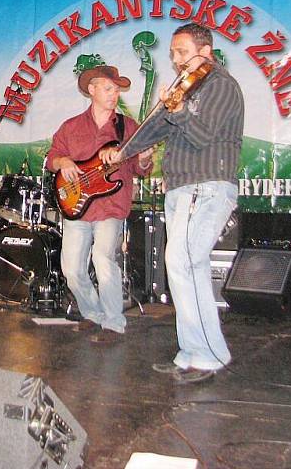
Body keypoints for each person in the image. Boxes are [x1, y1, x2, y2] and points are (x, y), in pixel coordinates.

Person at [112, 23, 244, 383]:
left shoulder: (220, 84)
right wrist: (123, 151)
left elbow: (201, 135)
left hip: (206, 186)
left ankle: (210, 353)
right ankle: (191, 352)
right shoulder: (188, 88)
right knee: (188, 265)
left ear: (205, 50)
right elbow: (156, 130)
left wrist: (180, 107)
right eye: (172, 54)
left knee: (182, 261)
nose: (175, 61)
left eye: (181, 52)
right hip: (183, 189)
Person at [46, 65, 148, 343]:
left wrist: (145, 156)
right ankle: (93, 314)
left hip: (111, 205)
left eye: (116, 90)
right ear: (91, 90)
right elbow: (51, 158)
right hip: (76, 206)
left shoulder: (128, 127)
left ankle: (114, 323)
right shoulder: (71, 126)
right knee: (71, 269)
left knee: (103, 259)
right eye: (108, 89)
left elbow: (142, 168)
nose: (114, 95)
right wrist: (63, 163)